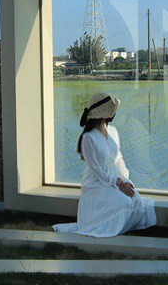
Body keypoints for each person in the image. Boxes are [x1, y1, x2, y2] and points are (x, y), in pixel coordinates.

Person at [52, 92, 156, 237]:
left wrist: (124, 178)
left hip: (114, 180)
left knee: (134, 199)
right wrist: (119, 183)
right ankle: (103, 223)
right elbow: (97, 170)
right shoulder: (88, 138)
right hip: (98, 185)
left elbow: (118, 159)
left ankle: (120, 225)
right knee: (124, 203)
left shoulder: (112, 131)